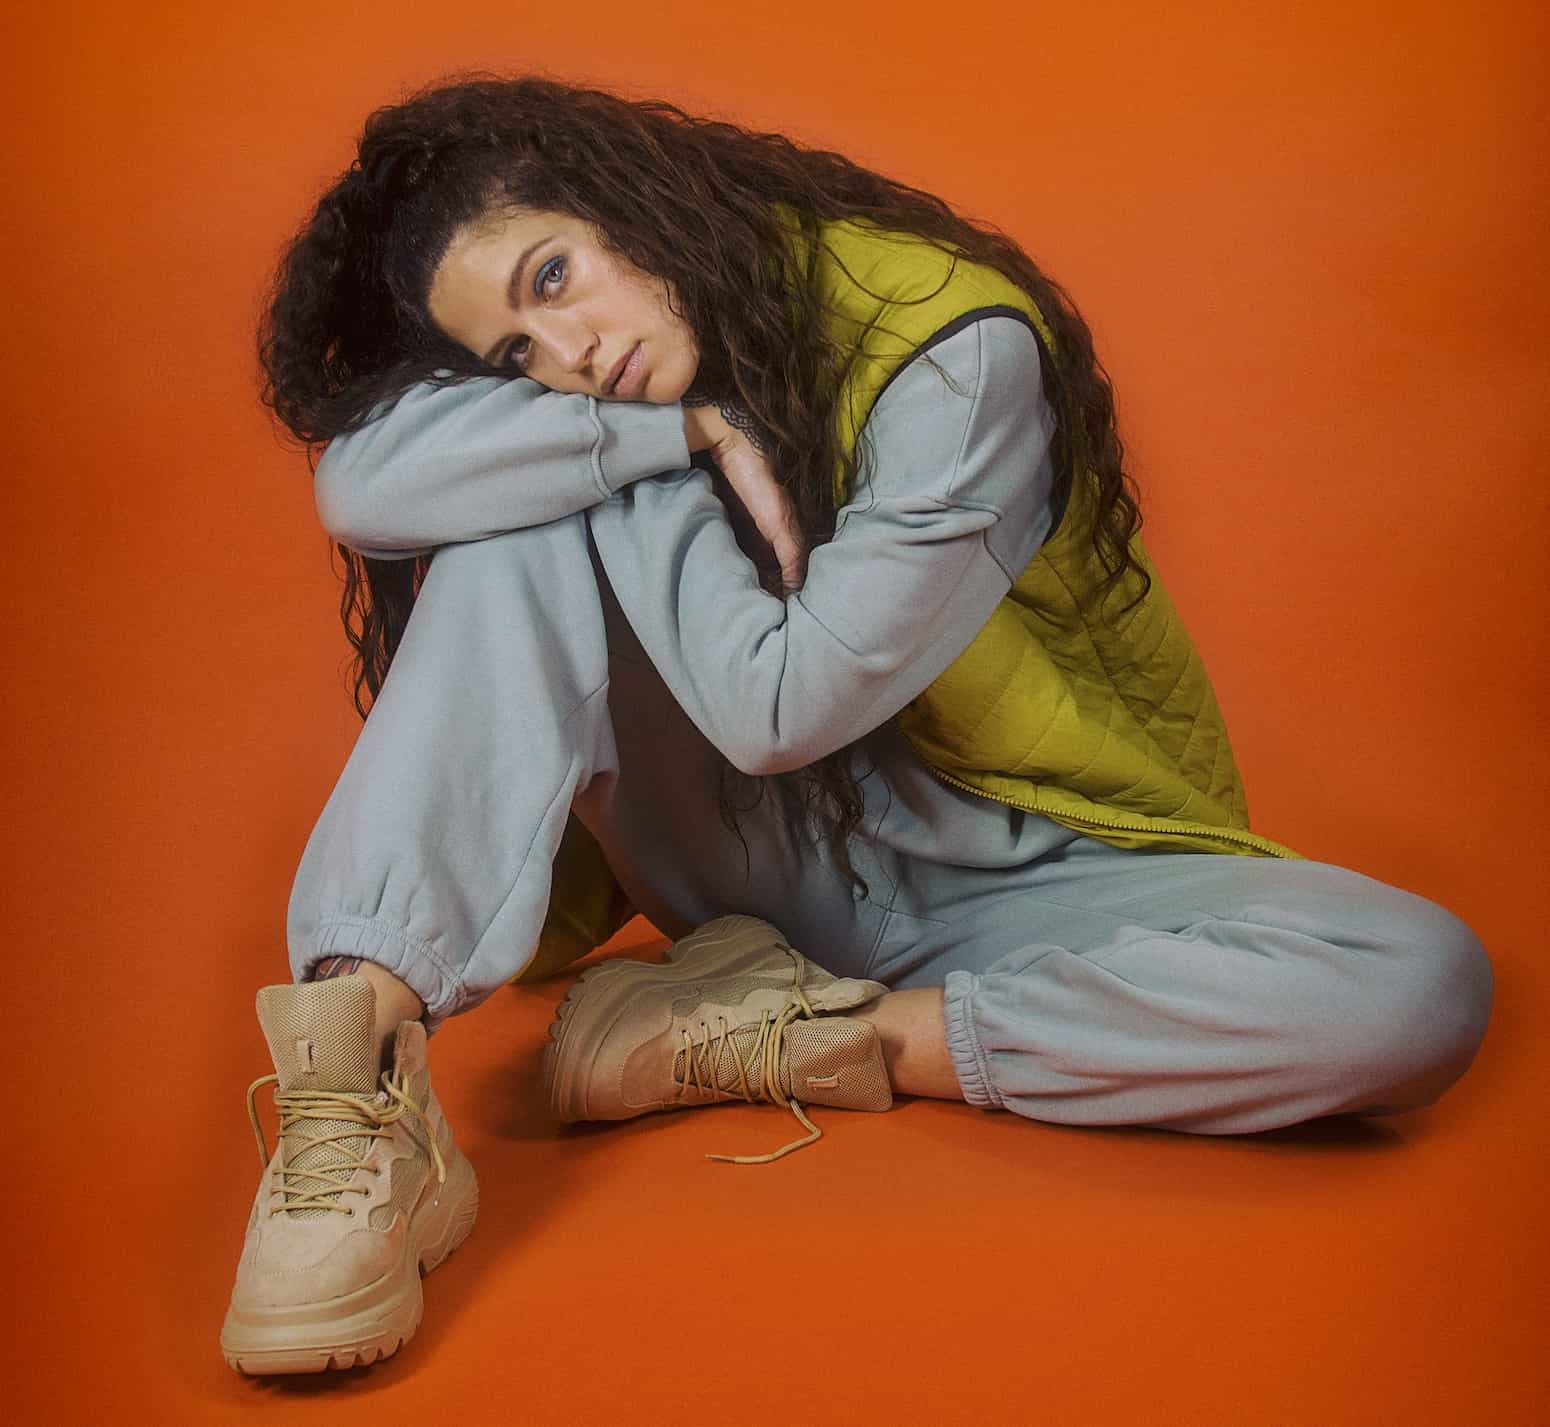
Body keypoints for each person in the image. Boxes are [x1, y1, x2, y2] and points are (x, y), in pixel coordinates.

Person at [222, 73, 1495, 1375]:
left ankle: (792, 1036)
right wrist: (678, 438)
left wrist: (631, 451)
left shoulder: (947, 349)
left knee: (1415, 985)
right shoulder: (620, 387)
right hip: (750, 865)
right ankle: (351, 1083)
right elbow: (359, 483)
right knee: (521, 517)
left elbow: (780, 707)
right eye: (513, 356)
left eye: (554, 278)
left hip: (1011, 883)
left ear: (626, 200)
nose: (569, 355)